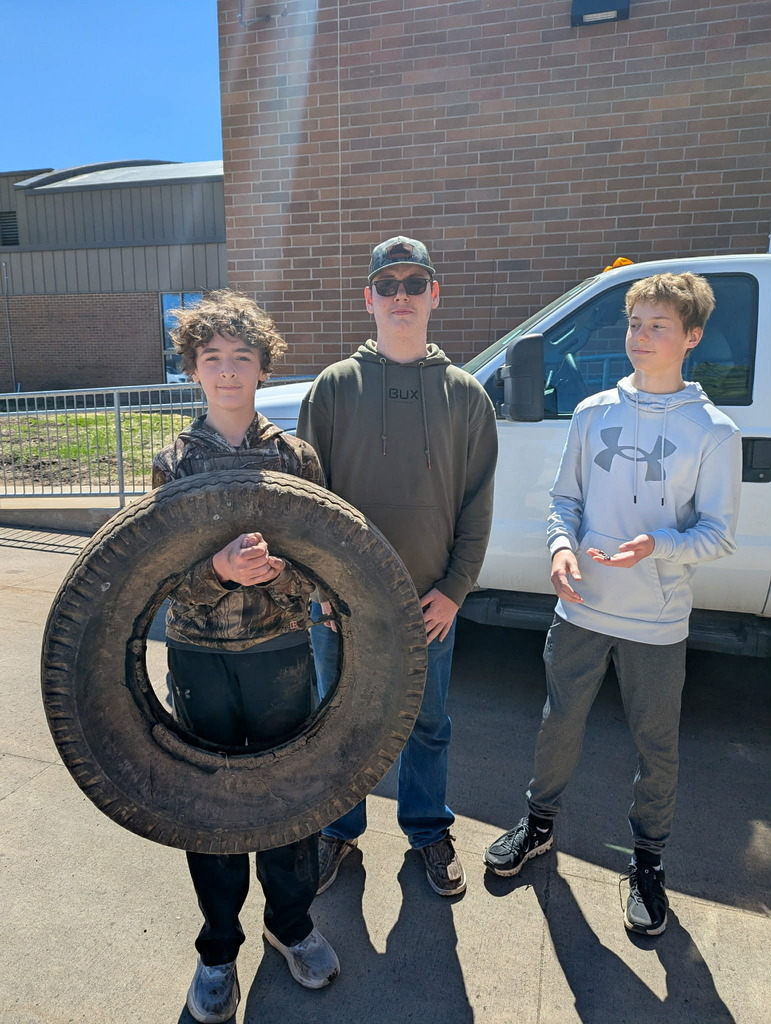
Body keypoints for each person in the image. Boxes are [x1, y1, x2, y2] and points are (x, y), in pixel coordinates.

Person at [483, 272, 742, 935]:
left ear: (691, 337)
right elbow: (562, 502)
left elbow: (716, 536)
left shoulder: (712, 432)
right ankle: (538, 825)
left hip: (656, 620)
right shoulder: (594, 412)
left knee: (655, 745)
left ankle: (649, 860)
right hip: (580, 610)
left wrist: (653, 546)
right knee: (558, 721)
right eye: (633, 324)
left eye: (658, 326)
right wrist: (560, 548)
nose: (640, 338)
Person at [152, 290, 339, 1023]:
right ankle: (219, 947)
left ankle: (288, 924)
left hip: (281, 653)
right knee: (211, 804)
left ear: (263, 368)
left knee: (288, 797)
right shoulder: (175, 460)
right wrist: (216, 572)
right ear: (193, 370)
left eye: (240, 359)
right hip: (199, 658)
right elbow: (151, 574)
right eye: (212, 360)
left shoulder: (295, 457)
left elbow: (332, 560)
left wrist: (283, 573)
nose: (227, 372)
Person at [296, 236, 498, 898]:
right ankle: (337, 829)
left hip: (427, 606)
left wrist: (455, 592)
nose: (402, 296)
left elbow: (476, 504)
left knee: (428, 724)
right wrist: (317, 586)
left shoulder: (466, 397)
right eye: (388, 284)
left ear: (434, 294)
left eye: (416, 283)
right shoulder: (332, 389)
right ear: (369, 298)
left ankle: (427, 829)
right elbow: (308, 500)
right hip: (341, 605)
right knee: (340, 721)